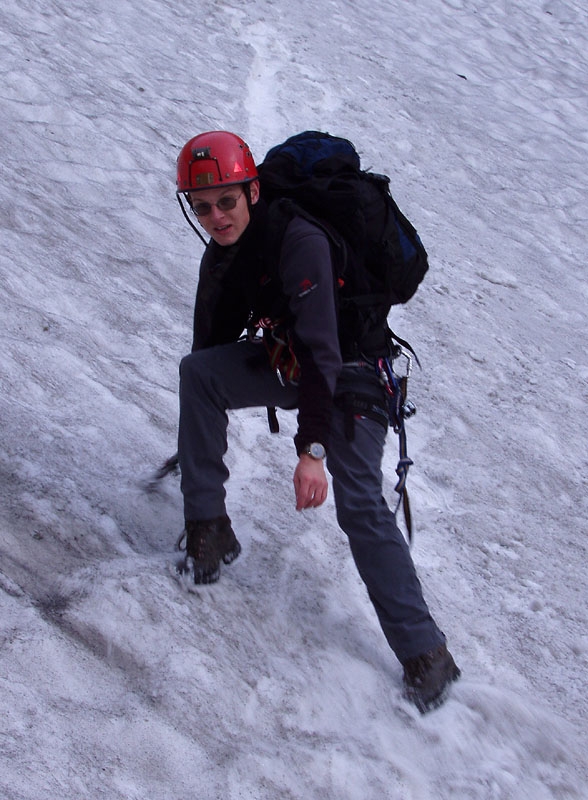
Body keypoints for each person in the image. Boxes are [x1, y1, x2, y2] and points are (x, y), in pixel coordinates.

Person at [174, 130, 460, 713]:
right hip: (296, 361)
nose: (216, 216)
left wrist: (313, 451)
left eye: (227, 200)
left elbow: (326, 354)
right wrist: (195, 438)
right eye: (202, 206)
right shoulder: (226, 254)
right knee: (199, 375)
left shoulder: (298, 240)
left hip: (352, 372)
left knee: (358, 503)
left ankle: (426, 655)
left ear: (252, 191)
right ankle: (209, 533)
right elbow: (212, 348)